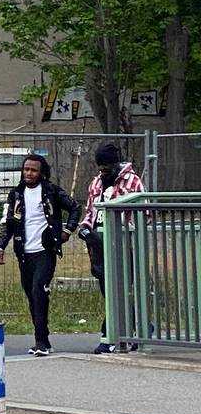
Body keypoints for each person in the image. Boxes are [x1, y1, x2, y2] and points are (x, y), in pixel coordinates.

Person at [0, 152, 78, 356]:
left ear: (42, 173)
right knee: (32, 295)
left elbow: (75, 208)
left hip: (45, 250)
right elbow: (8, 223)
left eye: (33, 170)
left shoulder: (51, 191)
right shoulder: (15, 194)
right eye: (26, 169)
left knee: (40, 291)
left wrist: (67, 231)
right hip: (24, 252)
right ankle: (44, 339)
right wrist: (0, 246)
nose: (29, 173)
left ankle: (40, 342)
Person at [80, 141, 146, 354]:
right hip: (99, 245)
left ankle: (110, 336)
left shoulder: (132, 182)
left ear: (116, 164)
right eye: (100, 168)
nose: (103, 172)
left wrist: (128, 228)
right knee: (107, 291)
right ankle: (140, 327)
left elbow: (145, 214)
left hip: (122, 244)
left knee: (119, 289)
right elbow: (90, 212)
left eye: (107, 168)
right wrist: (85, 228)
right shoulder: (96, 183)